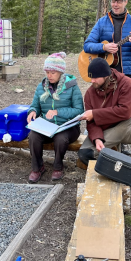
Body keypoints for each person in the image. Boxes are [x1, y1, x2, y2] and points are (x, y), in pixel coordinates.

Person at [78, 57, 131, 166]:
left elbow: (125, 111)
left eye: (95, 77)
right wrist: (97, 139)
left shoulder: (126, 83)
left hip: (128, 123)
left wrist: (94, 114)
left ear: (106, 75)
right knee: (85, 153)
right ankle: (116, 171)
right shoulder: (90, 93)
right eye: (90, 77)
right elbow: (91, 123)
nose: (92, 80)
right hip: (107, 129)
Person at [27, 52, 84, 183]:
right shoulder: (41, 87)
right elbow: (35, 105)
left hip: (68, 127)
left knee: (61, 138)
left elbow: (79, 111)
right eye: (47, 72)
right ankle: (37, 168)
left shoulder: (72, 87)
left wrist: (58, 112)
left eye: (53, 72)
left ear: (60, 72)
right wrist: (32, 111)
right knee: (33, 136)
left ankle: (58, 166)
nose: (49, 75)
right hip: (48, 126)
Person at [83, 0, 131, 80]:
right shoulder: (102, 22)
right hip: (105, 72)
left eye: (119, 1)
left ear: (126, 2)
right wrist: (104, 47)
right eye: (113, 1)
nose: (115, 4)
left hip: (127, 73)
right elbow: (87, 46)